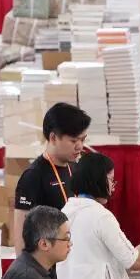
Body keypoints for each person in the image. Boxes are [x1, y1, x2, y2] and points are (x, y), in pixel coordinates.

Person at [13, 102, 91, 254]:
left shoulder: (76, 167)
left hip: (76, 258)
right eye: (74, 141)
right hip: (49, 262)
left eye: (83, 140)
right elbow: (21, 239)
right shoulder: (33, 176)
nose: (80, 146)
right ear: (53, 138)